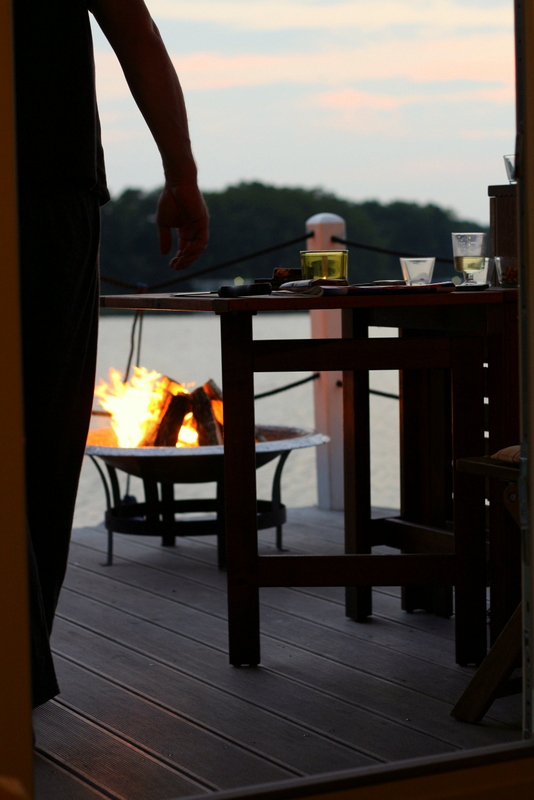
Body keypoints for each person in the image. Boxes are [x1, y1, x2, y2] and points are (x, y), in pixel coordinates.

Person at [14, 0, 209, 707]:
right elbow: (133, 27)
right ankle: (20, 676)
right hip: (50, 190)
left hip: (53, 190)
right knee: (45, 439)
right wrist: (181, 173)